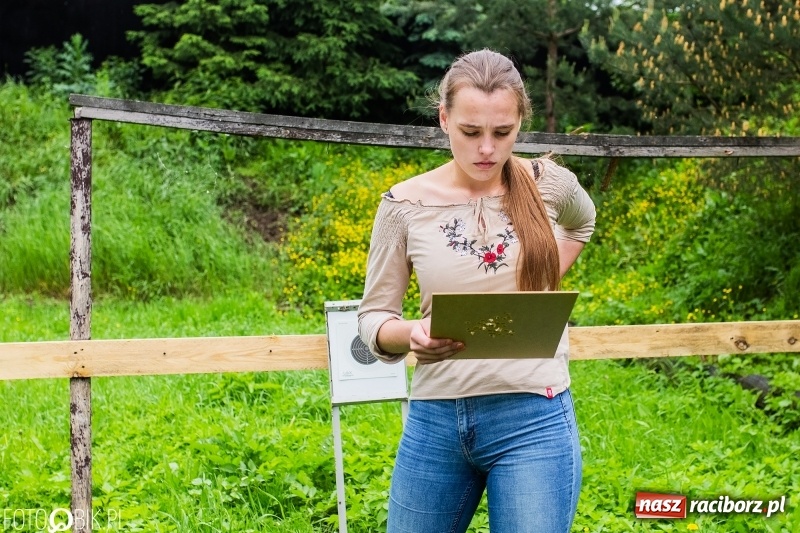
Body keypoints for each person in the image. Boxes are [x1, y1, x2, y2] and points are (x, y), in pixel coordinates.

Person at [358, 49, 596, 533]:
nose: (486, 148)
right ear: (444, 119)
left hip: (535, 418)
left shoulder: (548, 184)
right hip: (435, 421)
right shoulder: (403, 205)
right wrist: (411, 335)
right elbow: (373, 319)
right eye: (470, 132)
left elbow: (582, 223)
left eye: (502, 132)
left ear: (520, 122)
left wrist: (544, 277)